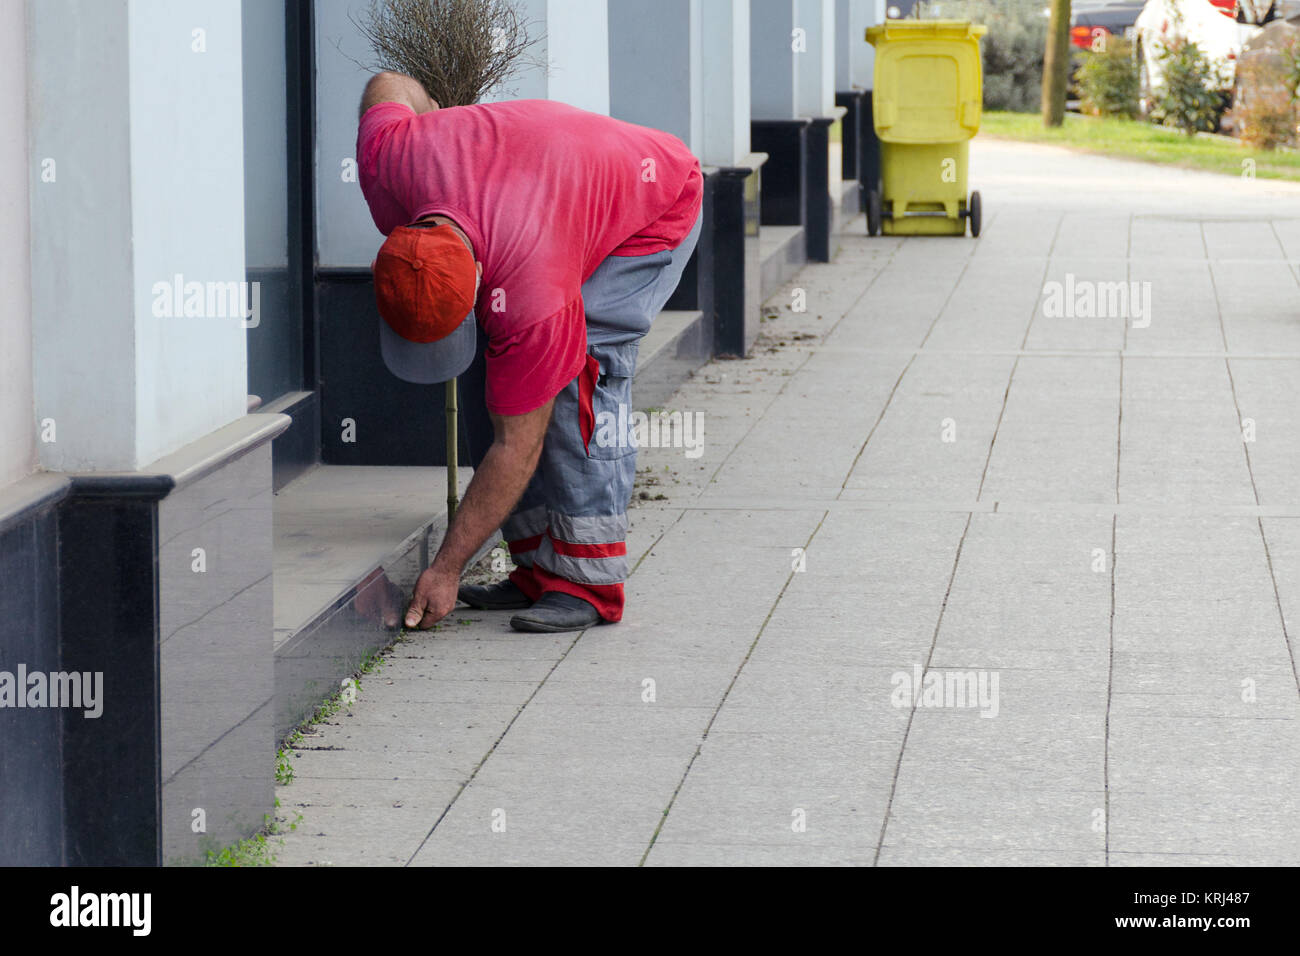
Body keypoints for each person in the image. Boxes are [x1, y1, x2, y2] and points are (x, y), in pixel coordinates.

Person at [355, 71, 703, 634]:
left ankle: (589, 582)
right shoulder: (389, 157)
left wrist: (445, 568)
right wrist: (434, 110)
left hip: (653, 203)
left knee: (578, 374)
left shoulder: (532, 291)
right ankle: (539, 564)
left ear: (476, 286)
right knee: (496, 378)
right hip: (551, 193)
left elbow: (519, 443)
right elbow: (389, 83)